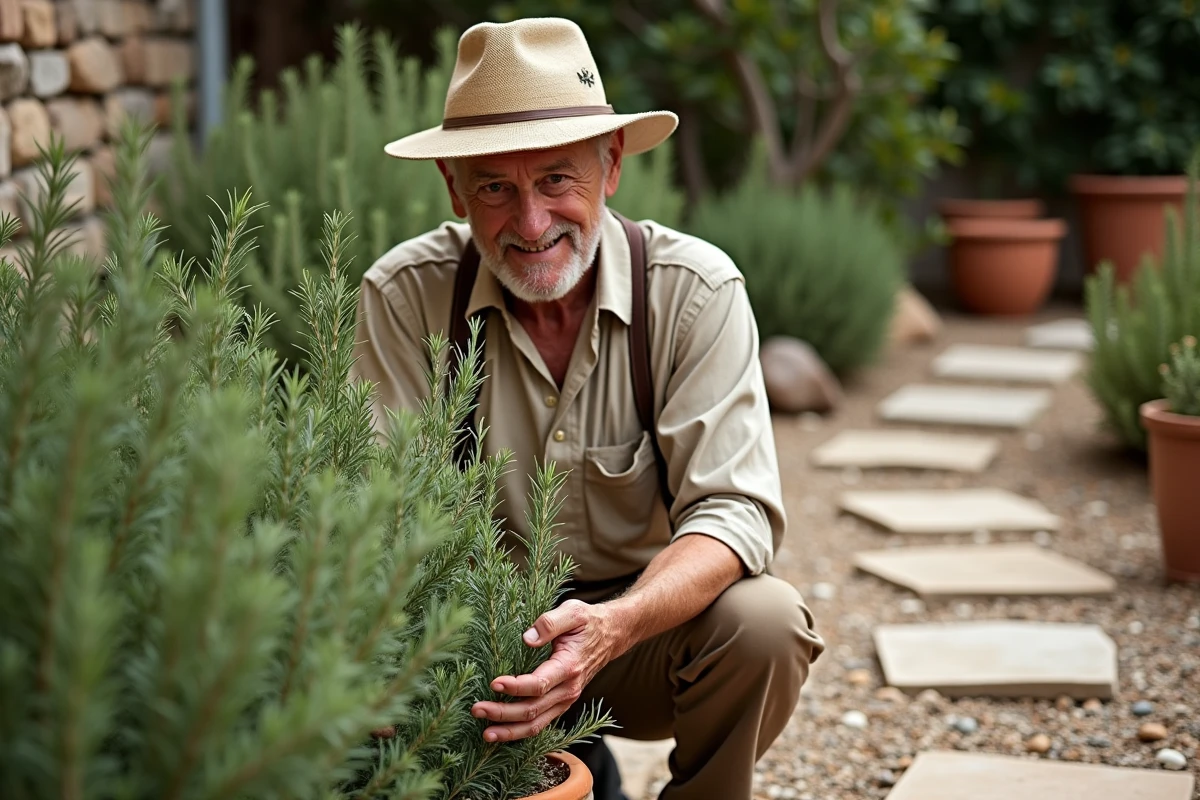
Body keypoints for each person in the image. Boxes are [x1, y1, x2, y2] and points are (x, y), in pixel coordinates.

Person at [350, 17, 825, 800]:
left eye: (556, 181)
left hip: (642, 636)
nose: (531, 224)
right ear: (454, 187)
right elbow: (375, 515)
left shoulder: (694, 292)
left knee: (766, 624)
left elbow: (735, 511)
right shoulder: (406, 297)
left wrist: (613, 629)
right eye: (496, 186)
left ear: (610, 167)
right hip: (472, 648)